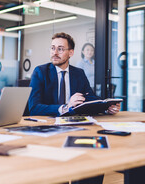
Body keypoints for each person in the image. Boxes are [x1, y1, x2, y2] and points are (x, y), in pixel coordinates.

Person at [28, 32, 120, 184]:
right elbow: (34, 107)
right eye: (52, 48)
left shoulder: (79, 73)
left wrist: (106, 107)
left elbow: (90, 98)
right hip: (52, 130)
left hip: (78, 127)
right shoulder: (40, 72)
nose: (55, 53)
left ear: (71, 52)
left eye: (60, 49)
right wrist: (65, 107)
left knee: (94, 161)